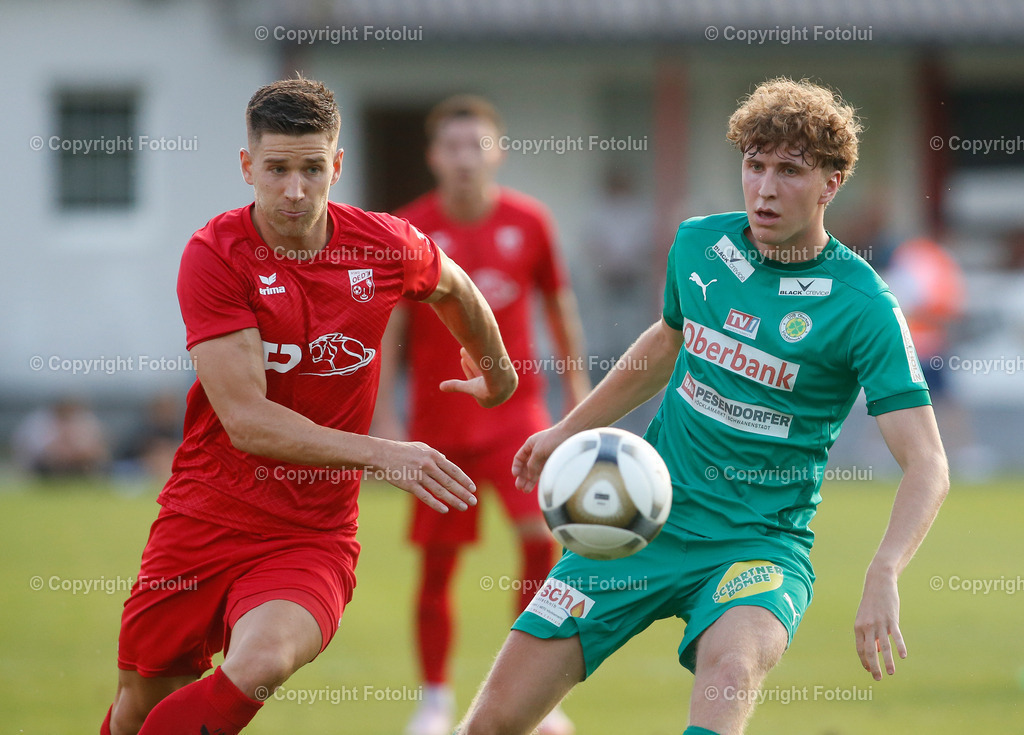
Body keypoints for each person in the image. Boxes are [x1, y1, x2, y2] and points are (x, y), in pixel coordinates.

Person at [457, 77, 950, 735]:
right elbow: (667, 341)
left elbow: (927, 463)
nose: (765, 188)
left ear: (831, 184)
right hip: (638, 521)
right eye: (755, 165)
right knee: (490, 723)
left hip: (758, 546)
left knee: (732, 668)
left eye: (790, 171)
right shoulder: (698, 246)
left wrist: (884, 568)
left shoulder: (864, 306)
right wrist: (567, 429)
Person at [100, 77, 518, 735]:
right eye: (277, 169)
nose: (295, 189)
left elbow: (455, 287)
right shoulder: (215, 256)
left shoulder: (383, 244)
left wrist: (497, 374)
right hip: (204, 515)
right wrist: (383, 453)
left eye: (312, 168)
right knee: (139, 707)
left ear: (337, 165)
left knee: (262, 659)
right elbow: (248, 420)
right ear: (248, 167)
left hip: (312, 535)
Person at [371, 95, 589, 735]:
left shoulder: (530, 221)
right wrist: (384, 418)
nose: (465, 158)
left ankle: (532, 695)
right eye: (452, 147)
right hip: (439, 423)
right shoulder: (409, 230)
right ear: (433, 157)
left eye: (476, 145)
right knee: (439, 562)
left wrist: (578, 395)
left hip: (518, 412)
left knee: (541, 537)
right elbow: (390, 330)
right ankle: (435, 700)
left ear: (498, 152)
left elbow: (560, 307)